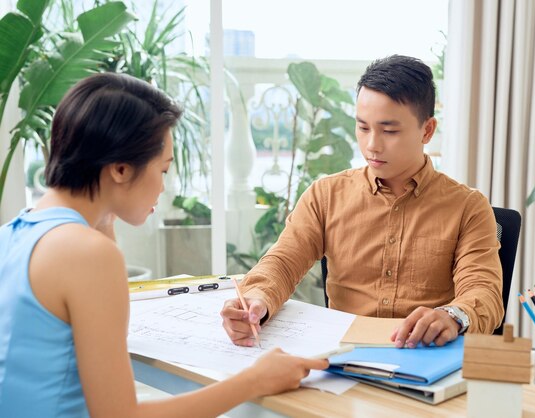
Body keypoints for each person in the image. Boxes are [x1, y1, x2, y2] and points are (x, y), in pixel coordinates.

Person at [0, 73, 327, 418]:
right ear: (121, 169)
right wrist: (254, 380)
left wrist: (106, 212)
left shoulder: (13, 233)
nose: (162, 188)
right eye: (164, 170)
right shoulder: (88, 255)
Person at [221, 55, 504, 349]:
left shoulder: (468, 207)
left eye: (389, 131)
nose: (372, 145)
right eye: (363, 127)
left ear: (427, 130)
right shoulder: (326, 196)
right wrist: (256, 300)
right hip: (341, 358)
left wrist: (452, 315)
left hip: (425, 357)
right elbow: (282, 263)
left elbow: (483, 292)